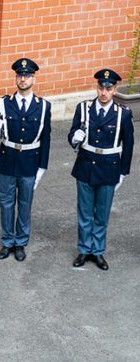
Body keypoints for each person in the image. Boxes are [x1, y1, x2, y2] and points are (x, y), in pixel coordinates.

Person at [68, 68, 134, 271]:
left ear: (114, 90)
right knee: (84, 213)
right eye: (101, 88)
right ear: (97, 88)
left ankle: (97, 251)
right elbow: (72, 135)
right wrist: (74, 139)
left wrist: (123, 172)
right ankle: (84, 249)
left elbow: (129, 144)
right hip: (86, 165)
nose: (104, 92)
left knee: (102, 214)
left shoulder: (122, 114)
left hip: (108, 168)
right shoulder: (84, 108)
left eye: (108, 88)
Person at [0, 58, 52, 262]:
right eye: (19, 75)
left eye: (26, 76)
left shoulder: (43, 106)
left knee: (25, 204)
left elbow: (46, 138)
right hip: (7, 160)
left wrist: (42, 167)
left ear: (33, 78)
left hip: (29, 162)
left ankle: (20, 242)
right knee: (6, 204)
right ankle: (7, 241)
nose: (22, 79)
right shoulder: (4, 103)